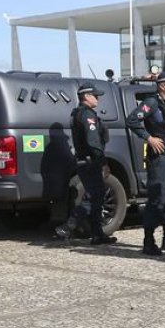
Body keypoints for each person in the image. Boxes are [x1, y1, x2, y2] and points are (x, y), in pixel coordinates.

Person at [126, 72, 165, 256]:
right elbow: (132, 120)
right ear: (162, 86)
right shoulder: (152, 102)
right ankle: (148, 241)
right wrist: (149, 138)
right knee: (156, 200)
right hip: (161, 160)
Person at [57, 83, 116, 246]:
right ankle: (68, 227)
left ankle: (97, 234)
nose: (97, 98)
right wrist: (103, 161)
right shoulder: (86, 115)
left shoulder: (78, 113)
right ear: (86, 97)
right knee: (94, 197)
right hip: (91, 162)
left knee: (97, 197)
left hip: (85, 161)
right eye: (95, 95)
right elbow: (93, 141)